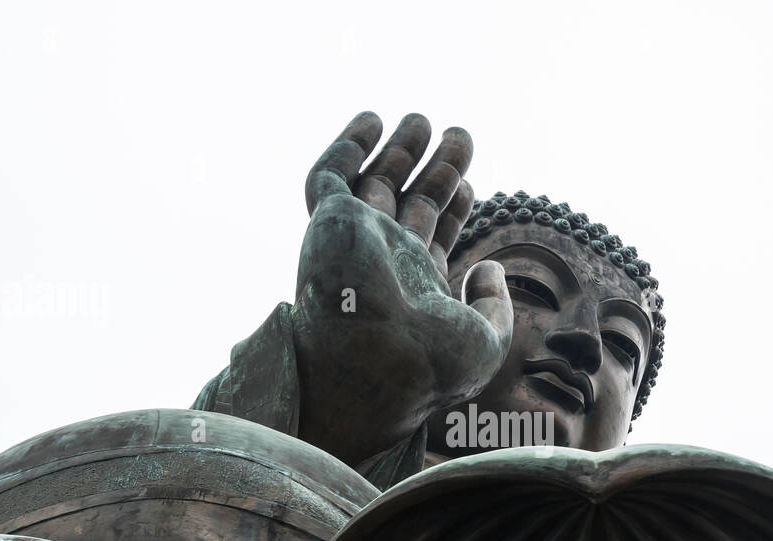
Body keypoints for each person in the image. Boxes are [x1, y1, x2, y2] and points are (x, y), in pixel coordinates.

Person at [193, 112, 665, 489]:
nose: (583, 339)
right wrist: (336, 410)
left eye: (624, 343)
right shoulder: (374, 508)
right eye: (532, 287)